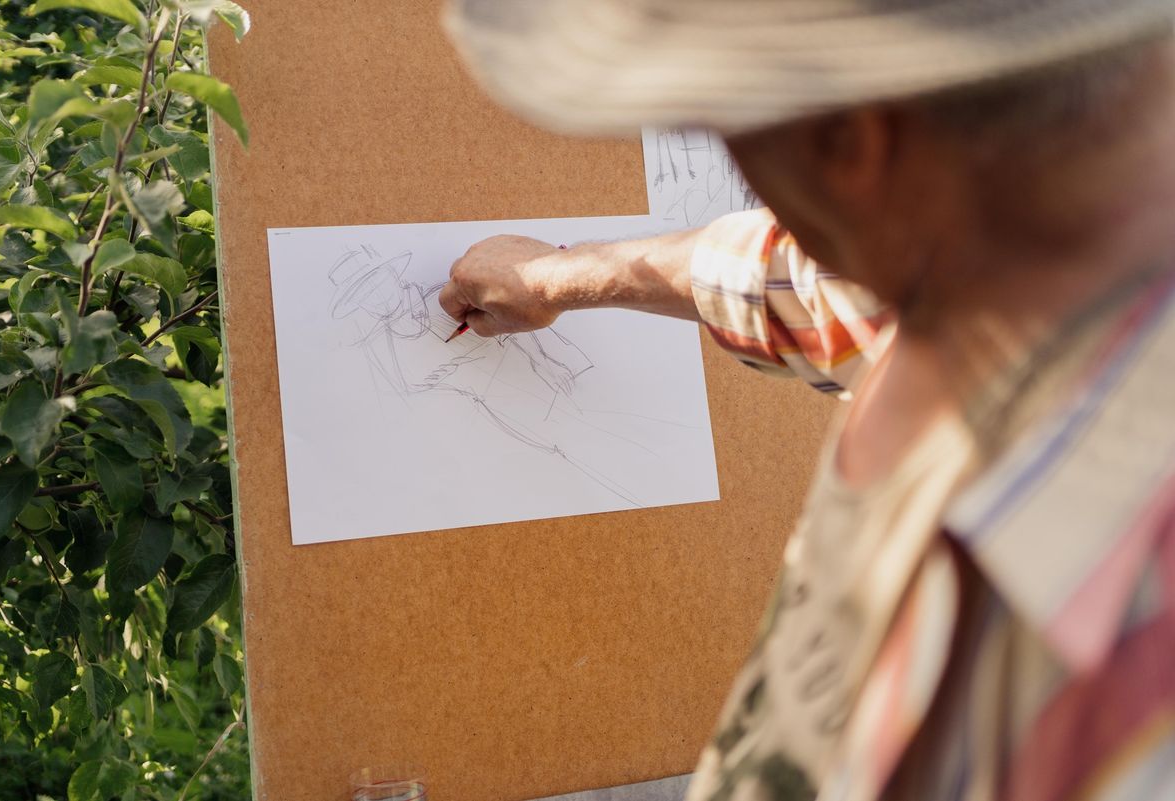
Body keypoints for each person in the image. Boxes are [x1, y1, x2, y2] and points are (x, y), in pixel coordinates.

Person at [438, 2, 1175, 800]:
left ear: (848, 144)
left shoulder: (1109, 647)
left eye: (727, 128)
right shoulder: (999, 257)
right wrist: (561, 275)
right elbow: (781, 279)